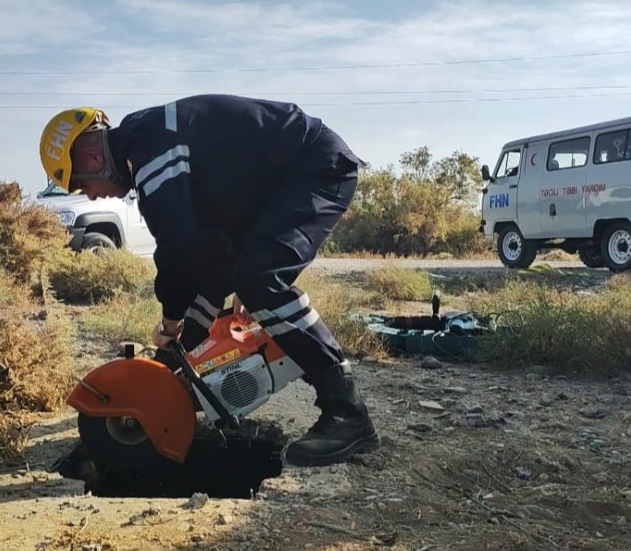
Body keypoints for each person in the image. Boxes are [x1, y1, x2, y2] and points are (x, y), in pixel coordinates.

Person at [39, 94, 379, 467]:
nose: (89, 195)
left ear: (91, 157)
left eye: (80, 184)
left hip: (315, 169)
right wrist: (176, 350)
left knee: (261, 279)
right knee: (243, 277)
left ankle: (347, 412)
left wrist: (170, 318)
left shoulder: (151, 153)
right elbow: (210, 255)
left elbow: (178, 247)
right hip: (277, 183)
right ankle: (179, 365)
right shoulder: (147, 140)